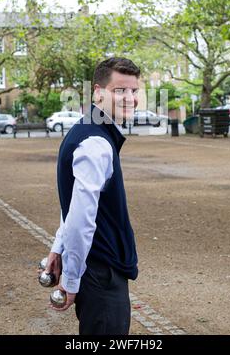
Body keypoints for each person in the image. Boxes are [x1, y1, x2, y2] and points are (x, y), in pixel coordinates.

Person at [41, 57, 140, 335]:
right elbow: (82, 220)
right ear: (98, 92)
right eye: (120, 90)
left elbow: (74, 206)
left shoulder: (88, 130)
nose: (130, 98)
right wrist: (71, 282)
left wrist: (57, 247)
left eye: (134, 91)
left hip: (98, 270)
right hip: (102, 273)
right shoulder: (96, 143)